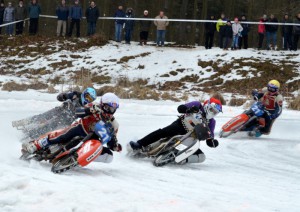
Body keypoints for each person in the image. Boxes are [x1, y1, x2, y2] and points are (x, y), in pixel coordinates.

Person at [23, 93, 122, 164]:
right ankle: (37, 144)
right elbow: (78, 112)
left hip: (91, 142)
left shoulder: (114, 124)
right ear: (102, 105)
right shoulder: (94, 106)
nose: (110, 112)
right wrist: (89, 110)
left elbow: (111, 140)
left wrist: (115, 146)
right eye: (108, 108)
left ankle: (79, 159)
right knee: (64, 135)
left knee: (108, 156)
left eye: (113, 110)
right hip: (80, 128)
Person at [128, 98, 222, 164]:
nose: (212, 113)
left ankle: (180, 159)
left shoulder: (212, 122)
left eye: (215, 112)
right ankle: (139, 144)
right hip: (181, 126)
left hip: (191, 139)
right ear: (207, 106)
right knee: (163, 132)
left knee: (201, 157)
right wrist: (188, 109)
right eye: (212, 110)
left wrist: (212, 142)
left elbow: (210, 137)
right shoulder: (197, 105)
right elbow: (180, 108)